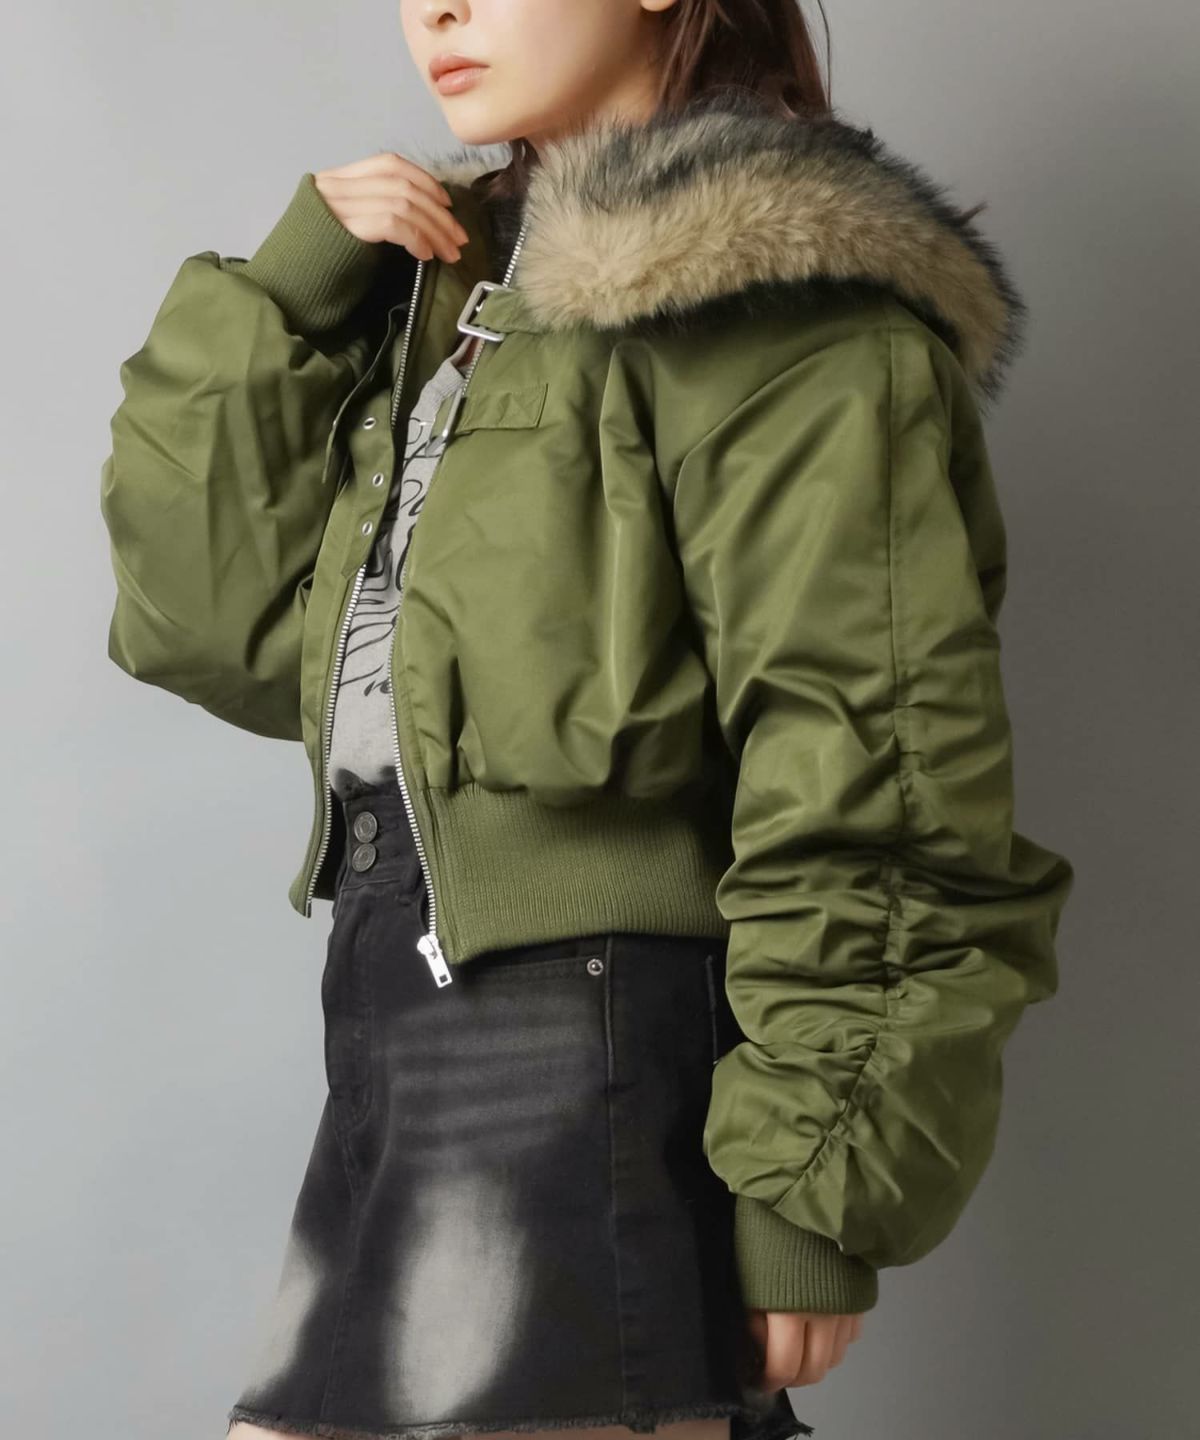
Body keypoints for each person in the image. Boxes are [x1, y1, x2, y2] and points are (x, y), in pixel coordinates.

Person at [97, 1, 1076, 1437]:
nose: (437, 8)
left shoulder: (779, 303)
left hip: (589, 1055)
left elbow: (877, 770)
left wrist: (813, 1188)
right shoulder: (459, 303)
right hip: (397, 1025)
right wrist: (292, 297)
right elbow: (211, 625)